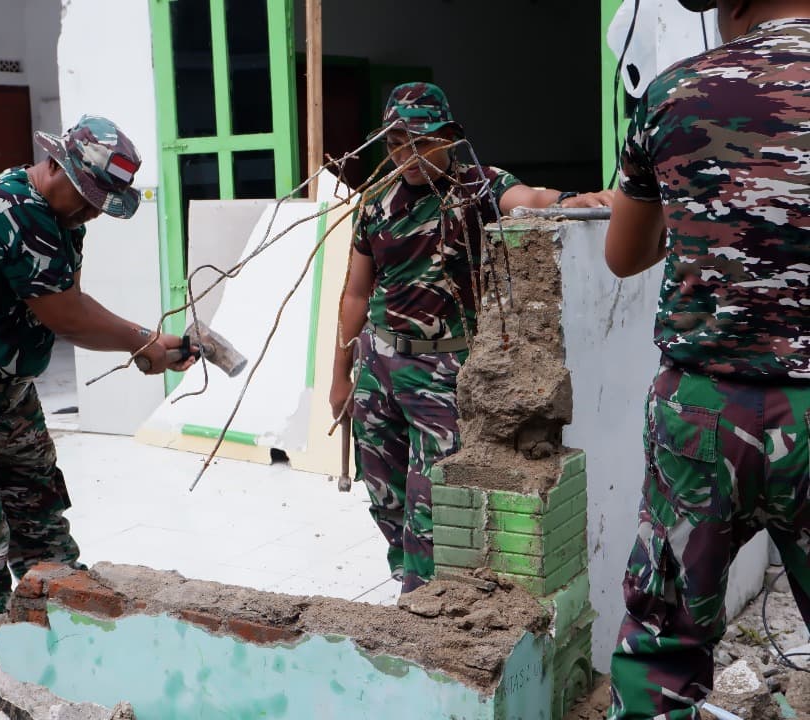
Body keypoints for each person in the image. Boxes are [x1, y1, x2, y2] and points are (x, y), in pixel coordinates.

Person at [0, 115, 194, 625]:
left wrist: (147, 343)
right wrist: (144, 341)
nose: (93, 213)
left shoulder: (60, 219)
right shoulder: (14, 207)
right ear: (56, 166)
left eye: (102, 204)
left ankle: (62, 654)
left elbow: (64, 299)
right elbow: (65, 315)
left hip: (4, 391)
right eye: (90, 198)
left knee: (44, 531)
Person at [603, 0, 809, 716]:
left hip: (701, 416)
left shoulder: (673, 93)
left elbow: (624, 254)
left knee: (663, 643)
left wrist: (700, 216)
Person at [329, 82, 613, 594]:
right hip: (379, 364)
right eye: (396, 145)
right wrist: (340, 377)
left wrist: (571, 199)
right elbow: (354, 293)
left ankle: (422, 600)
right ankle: (407, 572)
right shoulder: (376, 200)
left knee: (430, 498)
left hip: (442, 374)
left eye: (420, 143)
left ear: (450, 137)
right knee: (384, 491)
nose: (407, 156)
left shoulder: (477, 186)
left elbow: (527, 199)